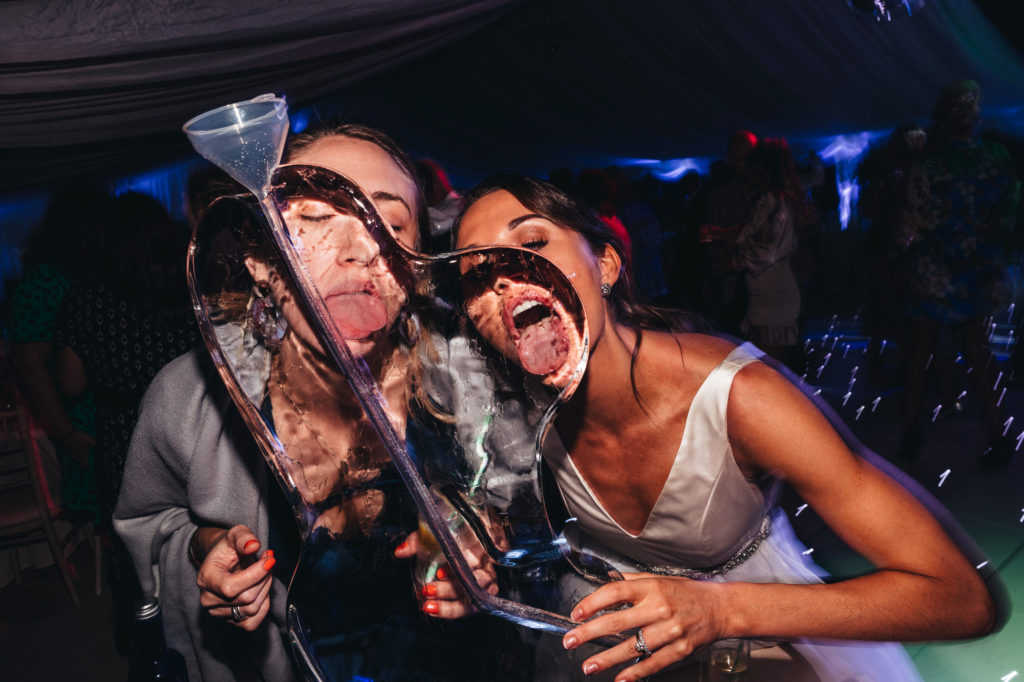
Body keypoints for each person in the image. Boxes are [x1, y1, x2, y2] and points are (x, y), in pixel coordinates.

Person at [433, 175, 994, 681]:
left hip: (766, 623)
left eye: (531, 244)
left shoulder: (744, 398)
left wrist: (721, 609)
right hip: (617, 626)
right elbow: (497, 501)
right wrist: (474, 547)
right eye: (479, 274)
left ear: (605, 266)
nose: (505, 280)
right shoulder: (516, 400)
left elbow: (961, 599)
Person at [114, 122, 523, 681]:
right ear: (260, 261)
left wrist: (485, 539)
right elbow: (150, 521)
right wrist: (206, 544)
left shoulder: (469, 379)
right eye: (316, 219)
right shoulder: (190, 398)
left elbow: (529, 513)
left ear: (414, 266)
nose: (359, 249)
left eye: (390, 222)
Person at [53, 191, 201, 660]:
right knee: (198, 532)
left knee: (130, 544)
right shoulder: (188, 283)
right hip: (192, 426)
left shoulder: (89, 297)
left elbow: (71, 384)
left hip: (125, 436)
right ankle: (200, 638)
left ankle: (148, 648)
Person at [897, 80, 1018, 467]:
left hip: (934, 275)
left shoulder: (926, 168)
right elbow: (1008, 213)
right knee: (978, 354)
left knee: (921, 352)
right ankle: (999, 438)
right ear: (977, 117)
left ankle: (911, 437)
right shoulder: (998, 159)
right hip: (978, 274)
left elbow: (910, 227)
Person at [8, 184, 111, 523]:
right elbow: (29, 365)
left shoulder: (84, 273)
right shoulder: (44, 282)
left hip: (98, 413)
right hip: (78, 420)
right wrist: (67, 436)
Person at [729, 138, 805, 366]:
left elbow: (767, 253)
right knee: (764, 371)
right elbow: (753, 236)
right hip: (764, 296)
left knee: (768, 373)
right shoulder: (766, 201)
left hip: (774, 298)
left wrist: (730, 264)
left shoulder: (776, 203)